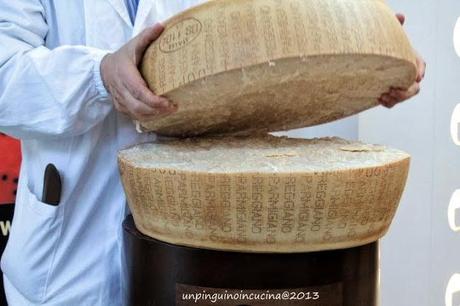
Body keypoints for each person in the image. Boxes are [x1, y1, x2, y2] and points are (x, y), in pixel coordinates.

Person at [0, 0, 425, 305]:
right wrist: (99, 76)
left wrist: (367, 50)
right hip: (68, 259)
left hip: (204, 262)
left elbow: (275, 45)